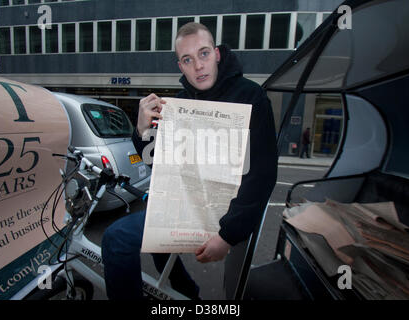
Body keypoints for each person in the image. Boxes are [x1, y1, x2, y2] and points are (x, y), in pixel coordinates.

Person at [101, 22, 278, 300]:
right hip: (188, 206)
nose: (198, 66)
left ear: (217, 54)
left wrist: (228, 235)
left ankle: (184, 290)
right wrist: (141, 130)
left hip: (224, 214)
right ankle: (186, 292)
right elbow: (159, 165)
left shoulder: (251, 96)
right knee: (149, 226)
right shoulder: (180, 102)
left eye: (204, 53)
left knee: (116, 238)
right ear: (180, 66)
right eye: (188, 59)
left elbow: (263, 174)